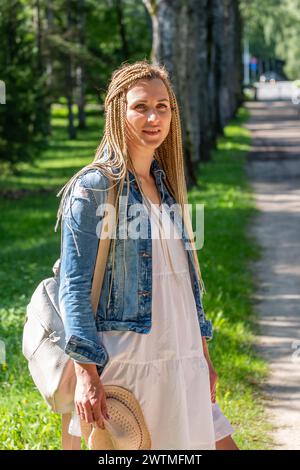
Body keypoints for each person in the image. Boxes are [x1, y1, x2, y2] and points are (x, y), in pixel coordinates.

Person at [55, 60, 238, 450]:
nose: (153, 117)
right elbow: (73, 287)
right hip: (129, 362)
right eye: (140, 107)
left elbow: (186, 284)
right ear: (117, 112)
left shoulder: (166, 186)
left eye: (163, 106)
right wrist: (86, 373)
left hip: (182, 357)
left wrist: (202, 355)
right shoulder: (94, 188)